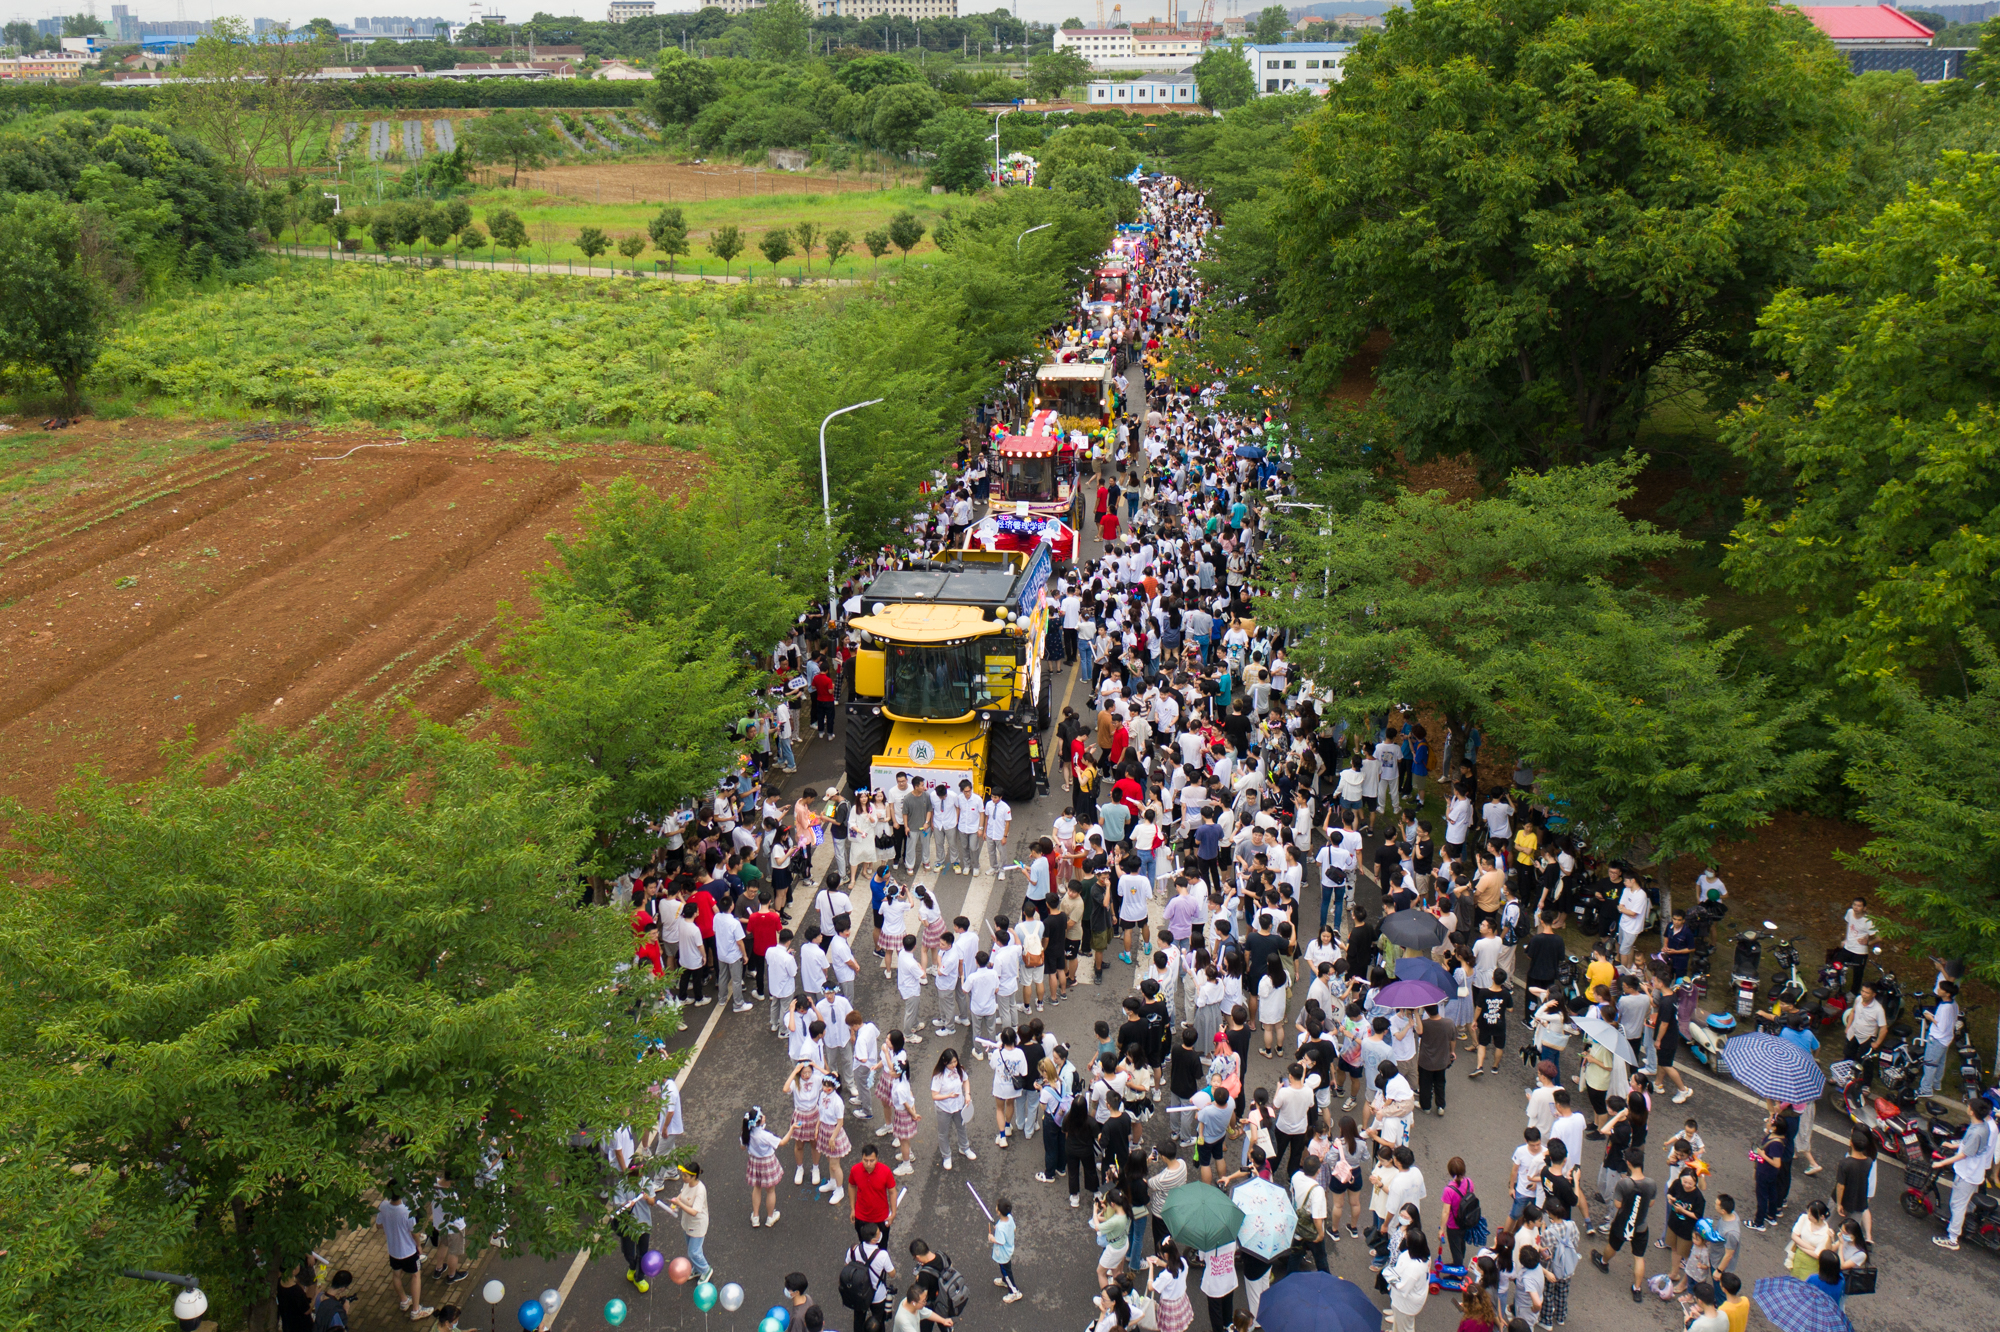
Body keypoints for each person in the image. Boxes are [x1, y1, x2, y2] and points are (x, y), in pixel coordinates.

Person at [1590, 1148, 1654, 1304]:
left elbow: (1617, 1204)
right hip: (1641, 1225)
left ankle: (1603, 1262)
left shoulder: (1624, 1184)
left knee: (1613, 1245)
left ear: (1629, 1163)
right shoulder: (1651, 1183)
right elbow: (1651, 1203)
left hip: (1623, 1223)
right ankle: (1637, 1289)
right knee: (1639, 1257)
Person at [1933, 1096, 1996, 1251]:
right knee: (1965, 1203)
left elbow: (1964, 1154)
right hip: (1974, 1172)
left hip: (1967, 1174)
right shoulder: (1982, 1126)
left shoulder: (1977, 1131)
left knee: (1957, 1205)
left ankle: (1953, 1238)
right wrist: (1954, 1145)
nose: (1967, 1107)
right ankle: (1962, 1222)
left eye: (1969, 1106)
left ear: (1972, 1112)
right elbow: (1966, 1145)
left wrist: (1941, 1162)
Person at [374, 1180, 432, 1321]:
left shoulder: (383, 1206)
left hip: (393, 1250)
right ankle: (416, 1310)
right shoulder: (407, 1212)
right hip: (408, 1251)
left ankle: (404, 1300)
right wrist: (418, 1246)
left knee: (396, 1275)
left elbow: (378, 1226)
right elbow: (414, 1232)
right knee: (415, 1276)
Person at [743, 1106, 793, 1229]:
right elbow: (782, 1142)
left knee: (757, 1187)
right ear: (759, 1121)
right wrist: (792, 1129)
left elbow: (743, 1145)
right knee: (770, 1190)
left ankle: (755, 1216)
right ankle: (770, 1217)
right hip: (767, 1163)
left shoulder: (747, 1133)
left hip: (755, 1162)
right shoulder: (764, 1135)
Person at [844, 1223, 898, 1332]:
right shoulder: (882, 1255)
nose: (880, 1234)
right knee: (877, 1322)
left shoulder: (853, 1250)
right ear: (874, 1240)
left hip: (859, 1293)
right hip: (877, 1295)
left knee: (858, 1320)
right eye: (878, 1234)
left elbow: (847, 1266)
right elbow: (892, 1274)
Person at [666, 1161, 712, 1284]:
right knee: (693, 1250)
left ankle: (705, 1269)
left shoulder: (700, 1190)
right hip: (687, 1223)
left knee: (693, 1252)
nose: (683, 1178)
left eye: (686, 1176)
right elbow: (682, 1194)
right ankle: (697, 1269)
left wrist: (679, 1204)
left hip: (697, 1225)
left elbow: (694, 1212)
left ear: (694, 1176)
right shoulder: (687, 1184)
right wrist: (676, 1200)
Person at [850, 1143, 899, 1246]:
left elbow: (892, 1191)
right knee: (864, 1245)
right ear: (862, 1158)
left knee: (881, 1247)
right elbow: (851, 1186)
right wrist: (853, 1209)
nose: (868, 1164)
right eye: (865, 1160)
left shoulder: (885, 1171)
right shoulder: (855, 1170)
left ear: (877, 1159)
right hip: (861, 1217)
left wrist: (893, 1213)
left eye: (871, 1161)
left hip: (881, 1218)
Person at [1383, 1229, 1430, 1332]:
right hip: (1406, 1299)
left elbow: (1402, 1287)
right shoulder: (1424, 1256)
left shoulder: (1414, 1268)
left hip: (1405, 1303)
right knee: (1400, 1323)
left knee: (1405, 1328)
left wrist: (1389, 1277)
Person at [988, 1195, 1023, 1303]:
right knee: (1006, 1269)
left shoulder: (1000, 1228)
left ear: (999, 1212)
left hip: (1003, 1254)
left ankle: (1014, 1292)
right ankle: (1005, 1280)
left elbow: (1001, 1241)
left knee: (1006, 1270)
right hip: (1009, 1249)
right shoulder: (1010, 1218)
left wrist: (992, 1238)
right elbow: (1014, 1228)